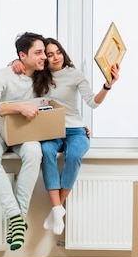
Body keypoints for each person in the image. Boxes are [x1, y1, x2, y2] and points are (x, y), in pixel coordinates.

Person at [12, 37, 120, 235]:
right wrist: (14, 63)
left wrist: (107, 85)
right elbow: (21, 66)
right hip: (50, 130)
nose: (55, 57)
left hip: (76, 130)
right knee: (45, 151)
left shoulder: (75, 74)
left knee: (75, 154)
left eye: (58, 52)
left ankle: (55, 210)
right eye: (50, 54)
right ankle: (57, 209)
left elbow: (93, 102)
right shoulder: (39, 75)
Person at [0, 32, 47, 251]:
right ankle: (14, 216)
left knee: (35, 153)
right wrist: (18, 106)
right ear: (22, 56)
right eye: (38, 52)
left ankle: (17, 218)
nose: (43, 56)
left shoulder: (43, 78)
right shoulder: (4, 74)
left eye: (44, 52)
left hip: (25, 132)